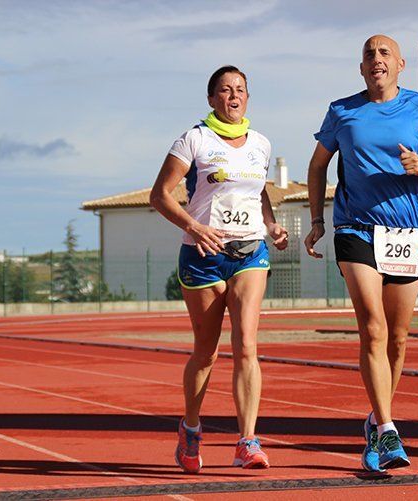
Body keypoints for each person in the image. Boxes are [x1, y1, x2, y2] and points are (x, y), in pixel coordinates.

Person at [304, 35, 418, 472]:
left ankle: (377, 422)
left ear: (399, 65)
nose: (375, 59)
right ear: (361, 69)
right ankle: (391, 427)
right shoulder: (343, 110)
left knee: (397, 338)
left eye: (383, 54)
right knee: (373, 330)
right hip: (356, 231)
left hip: (407, 236)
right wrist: (318, 221)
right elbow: (318, 165)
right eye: (368, 55)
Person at [150, 65, 289, 474]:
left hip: (250, 252)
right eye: (225, 90)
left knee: (246, 344)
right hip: (203, 255)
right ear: (211, 98)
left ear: (248, 98)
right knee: (206, 352)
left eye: (240, 90)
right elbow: (161, 196)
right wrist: (194, 226)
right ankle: (191, 427)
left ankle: (247, 440)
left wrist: (273, 225)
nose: (233, 96)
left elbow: (259, 193)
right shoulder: (193, 140)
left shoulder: (260, 145)